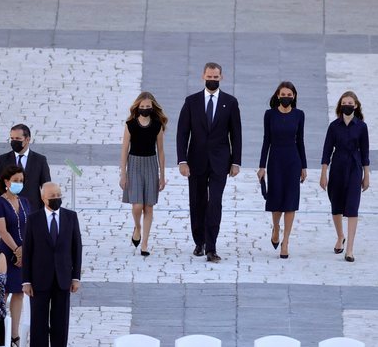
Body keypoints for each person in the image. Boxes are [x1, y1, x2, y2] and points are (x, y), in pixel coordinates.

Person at [176, 63, 243, 263]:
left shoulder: (230, 102)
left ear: (221, 77)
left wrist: (236, 162)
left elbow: (236, 133)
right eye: (209, 76)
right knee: (197, 202)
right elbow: (182, 133)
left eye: (215, 77)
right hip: (195, 161)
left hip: (220, 162)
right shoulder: (191, 101)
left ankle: (211, 247)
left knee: (215, 203)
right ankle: (200, 241)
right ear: (202, 76)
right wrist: (182, 160)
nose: (212, 80)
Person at [21, 182, 82, 347]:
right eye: (52, 195)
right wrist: (26, 281)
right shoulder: (34, 219)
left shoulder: (70, 217)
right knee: (38, 323)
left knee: (60, 323)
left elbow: (76, 248)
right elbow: (28, 251)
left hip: (63, 278)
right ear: (43, 198)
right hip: (39, 279)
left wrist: (75, 277)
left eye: (59, 194)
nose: (56, 198)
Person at [258, 82, 307, 260]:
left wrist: (304, 166)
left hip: (293, 160)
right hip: (275, 160)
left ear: (293, 96)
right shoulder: (269, 115)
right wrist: (262, 166)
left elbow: (300, 140)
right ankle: (276, 227)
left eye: (289, 94)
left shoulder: (299, 115)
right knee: (276, 197)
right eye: (283, 94)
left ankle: (285, 242)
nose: (286, 97)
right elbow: (266, 141)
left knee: (291, 201)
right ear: (278, 95)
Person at [320, 91, 370, 263]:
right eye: (344, 103)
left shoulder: (362, 127)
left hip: (355, 168)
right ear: (340, 105)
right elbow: (327, 151)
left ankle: (350, 249)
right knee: (336, 205)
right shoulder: (334, 126)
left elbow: (365, 153)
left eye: (350, 103)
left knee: (352, 207)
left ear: (355, 105)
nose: (347, 105)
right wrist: (323, 173)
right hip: (337, 167)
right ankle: (340, 235)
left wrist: (367, 176)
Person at [119, 92, 167, 257]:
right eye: (142, 107)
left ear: (152, 107)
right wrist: (123, 174)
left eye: (148, 107)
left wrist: (162, 176)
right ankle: (137, 228)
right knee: (137, 205)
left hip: (151, 164)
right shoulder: (130, 124)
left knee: (149, 206)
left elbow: (160, 151)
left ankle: (145, 243)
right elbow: (124, 149)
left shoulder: (157, 125)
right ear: (137, 107)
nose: (145, 109)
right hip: (134, 164)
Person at [0, 165, 29, 347]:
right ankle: (0, 331)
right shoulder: (0, 202)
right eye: (15, 180)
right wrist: (16, 249)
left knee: (18, 292)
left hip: (24, 251)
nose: (18, 184)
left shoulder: (24, 202)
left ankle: (15, 334)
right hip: (8, 253)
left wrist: (25, 250)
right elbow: (1, 229)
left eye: (21, 181)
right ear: (7, 182)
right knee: (4, 291)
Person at [0, 123, 51, 219]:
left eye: (18, 139)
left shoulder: (40, 160)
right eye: (12, 139)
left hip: (33, 212)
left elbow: (46, 187)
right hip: (8, 211)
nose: (14, 142)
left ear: (27, 139)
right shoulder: (2, 160)